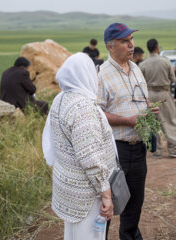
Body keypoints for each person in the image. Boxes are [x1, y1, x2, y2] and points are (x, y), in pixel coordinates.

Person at [42, 53, 115, 240]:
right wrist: (105, 193)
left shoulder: (61, 98)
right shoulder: (83, 109)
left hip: (68, 185)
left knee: (73, 235)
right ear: (85, 75)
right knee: (88, 235)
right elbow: (91, 157)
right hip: (85, 193)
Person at [97, 23, 159, 240]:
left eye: (131, 40)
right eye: (125, 41)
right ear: (110, 46)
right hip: (115, 151)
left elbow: (140, 101)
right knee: (108, 204)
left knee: (135, 204)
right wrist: (126, 120)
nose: (131, 45)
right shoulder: (101, 75)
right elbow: (96, 114)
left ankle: (130, 236)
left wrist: (149, 109)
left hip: (139, 148)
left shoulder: (136, 69)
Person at [139, 39, 176, 158]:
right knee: (169, 120)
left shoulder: (143, 64)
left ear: (148, 48)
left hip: (149, 94)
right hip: (164, 94)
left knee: (151, 122)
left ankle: (155, 150)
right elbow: (173, 79)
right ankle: (173, 149)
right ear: (157, 47)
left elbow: (141, 82)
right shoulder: (166, 62)